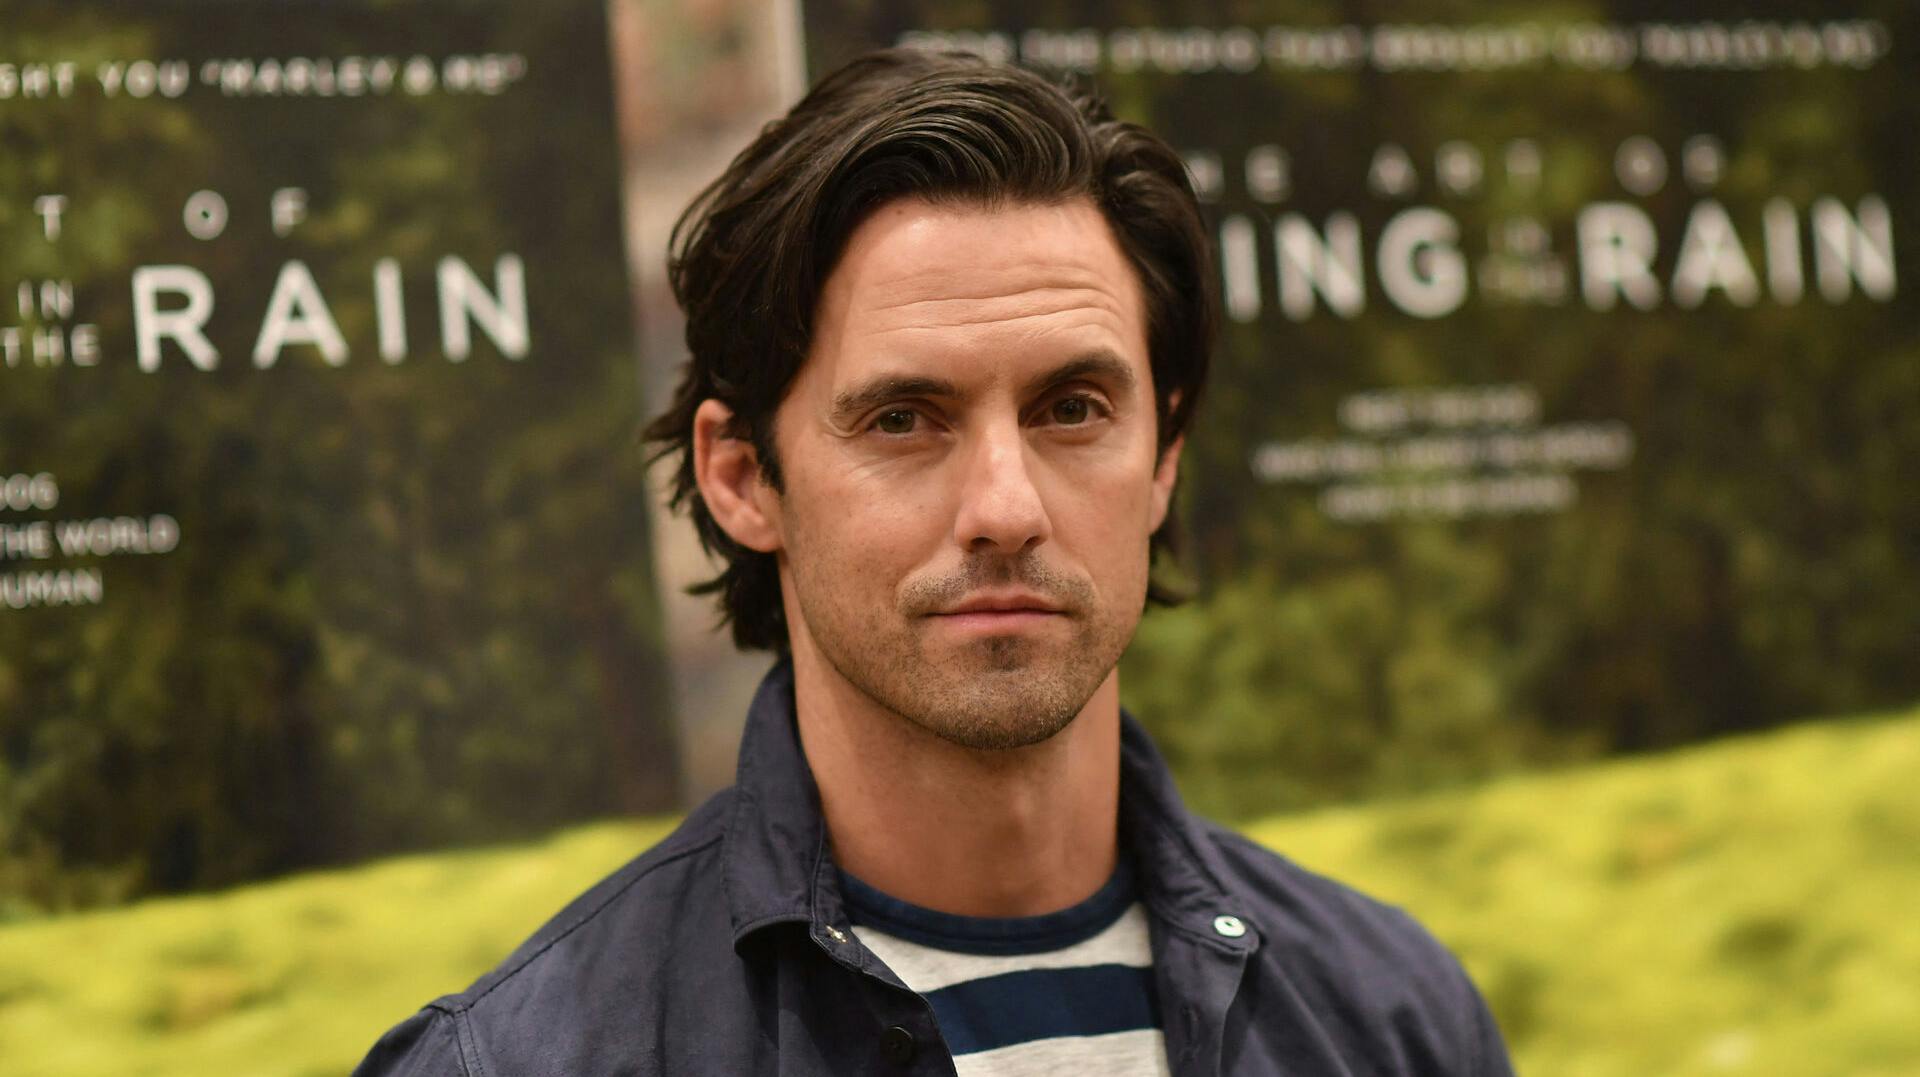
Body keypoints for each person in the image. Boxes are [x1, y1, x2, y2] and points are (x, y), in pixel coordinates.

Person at [355, 48, 1514, 1076]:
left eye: (1071, 408)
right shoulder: (518, 1059)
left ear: (1164, 453)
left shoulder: (1394, 1017)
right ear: (744, 477)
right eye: (904, 419)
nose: (1004, 508)